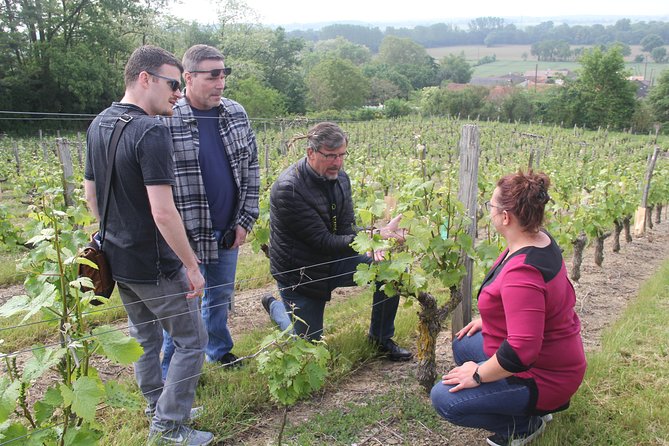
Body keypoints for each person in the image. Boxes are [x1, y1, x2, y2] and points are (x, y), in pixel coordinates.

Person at [84, 45, 213, 446]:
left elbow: (91, 195)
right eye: (173, 84)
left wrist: (117, 230)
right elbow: (163, 211)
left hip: (119, 259)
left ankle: (157, 404)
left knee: (144, 337)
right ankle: (169, 424)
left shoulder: (99, 124)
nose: (178, 92)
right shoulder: (151, 130)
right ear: (145, 79)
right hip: (156, 263)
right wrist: (190, 264)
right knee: (193, 341)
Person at [430, 171, 587, 446]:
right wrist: (491, 319)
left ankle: (525, 424)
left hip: (546, 375)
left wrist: (477, 375)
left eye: (490, 206)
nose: (488, 211)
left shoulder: (522, 273)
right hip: (556, 355)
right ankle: (526, 406)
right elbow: (538, 307)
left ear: (505, 217)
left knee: (445, 400)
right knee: (464, 345)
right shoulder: (538, 240)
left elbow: (521, 352)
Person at [261, 121, 412, 361]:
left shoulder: (341, 178)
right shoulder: (288, 189)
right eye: (331, 156)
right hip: (302, 272)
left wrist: (374, 243)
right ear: (311, 152)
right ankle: (276, 308)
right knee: (310, 350)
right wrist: (375, 235)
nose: (338, 163)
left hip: (333, 259)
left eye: (342, 155)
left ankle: (380, 339)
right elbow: (322, 240)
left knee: (391, 270)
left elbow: (345, 229)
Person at [160, 44, 260, 377]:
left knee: (219, 297)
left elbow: (252, 167)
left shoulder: (236, 112)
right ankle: (175, 371)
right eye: (212, 76)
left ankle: (219, 350)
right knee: (183, 306)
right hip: (186, 234)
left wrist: (245, 219)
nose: (221, 83)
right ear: (188, 77)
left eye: (224, 74)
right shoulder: (168, 117)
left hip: (229, 228)